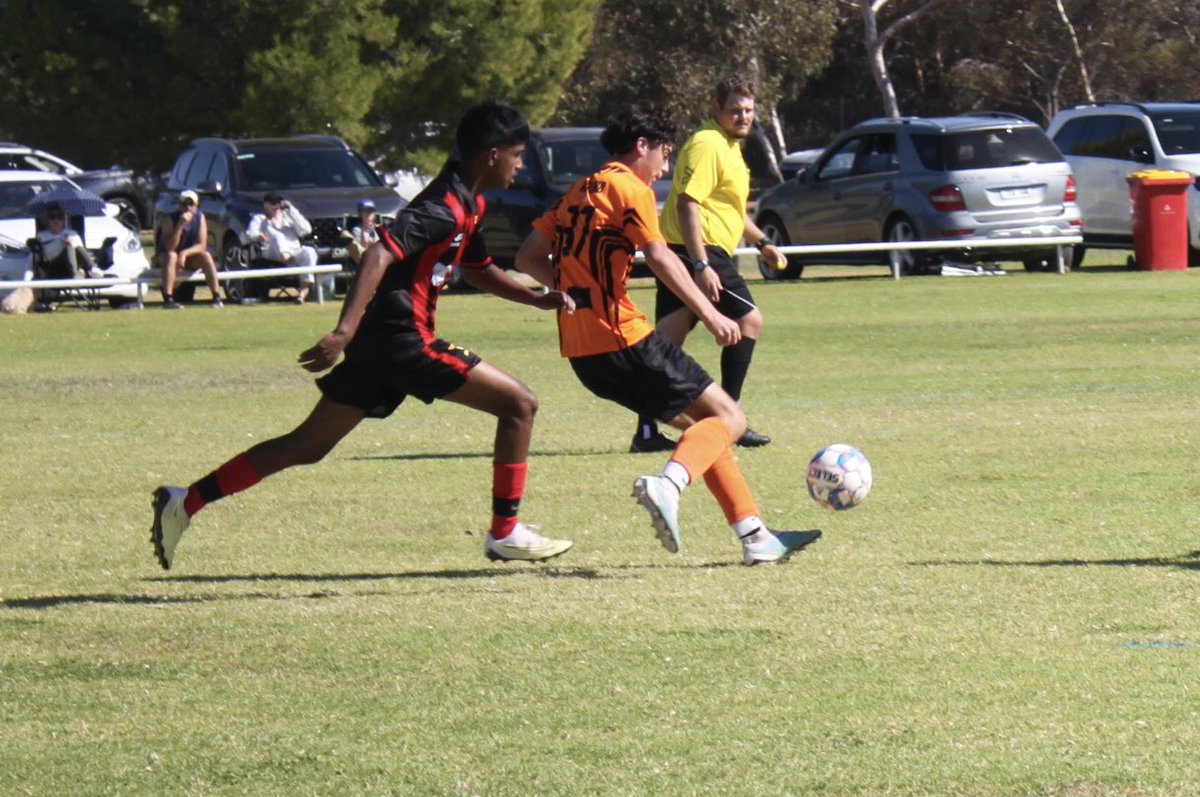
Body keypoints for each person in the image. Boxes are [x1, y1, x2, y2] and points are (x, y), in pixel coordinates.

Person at [151, 98, 574, 571]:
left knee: (307, 446)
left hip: (382, 344)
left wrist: (536, 299)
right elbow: (376, 256)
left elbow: (477, 270)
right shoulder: (443, 207)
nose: (520, 166)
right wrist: (343, 330)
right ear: (492, 154)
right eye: (517, 156)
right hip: (402, 340)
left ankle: (184, 501)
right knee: (520, 404)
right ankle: (505, 532)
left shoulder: (468, 203)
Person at [516, 106, 819, 566]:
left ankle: (755, 536)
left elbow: (528, 256)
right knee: (731, 420)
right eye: (663, 155)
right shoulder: (629, 188)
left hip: (584, 354)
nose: (664, 168)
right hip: (624, 338)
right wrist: (710, 313)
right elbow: (660, 257)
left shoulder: (578, 191)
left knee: (706, 431)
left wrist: (572, 291)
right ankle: (668, 484)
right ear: (642, 146)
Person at [630, 75, 787, 453]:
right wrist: (701, 265)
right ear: (716, 109)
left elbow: (729, 208)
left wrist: (762, 242)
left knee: (665, 343)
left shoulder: (731, 147)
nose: (743, 116)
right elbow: (687, 203)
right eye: (734, 110)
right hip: (699, 251)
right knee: (749, 321)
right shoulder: (707, 144)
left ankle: (647, 432)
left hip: (693, 250)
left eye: (748, 110)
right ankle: (728, 421)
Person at [247, 191, 325, 304]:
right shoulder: (260, 219)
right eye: (273, 203)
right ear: (266, 205)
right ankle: (287, 258)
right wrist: (258, 236)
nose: (277, 206)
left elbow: (306, 230)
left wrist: (291, 209)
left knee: (309, 252)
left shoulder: (288, 218)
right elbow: (249, 233)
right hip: (271, 250)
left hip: (294, 251)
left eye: (278, 203)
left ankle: (302, 294)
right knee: (278, 236)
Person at [161, 189, 224, 309]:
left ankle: (216, 297)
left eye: (191, 204)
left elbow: (201, 245)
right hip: (168, 258)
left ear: (196, 206)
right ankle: (168, 299)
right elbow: (169, 248)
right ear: (179, 205)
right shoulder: (169, 220)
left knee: (206, 255)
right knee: (172, 256)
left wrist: (184, 253)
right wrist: (180, 225)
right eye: (184, 204)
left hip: (189, 257)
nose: (187, 207)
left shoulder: (200, 218)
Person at [35, 205, 104, 279]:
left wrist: (69, 242)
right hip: (53, 266)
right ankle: (74, 275)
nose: (56, 220)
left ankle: (93, 268)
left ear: (63, 220)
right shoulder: (41, 236)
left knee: (73, 245)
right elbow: (35, 258)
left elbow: (80, 251)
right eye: (52, 217)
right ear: (46, 220)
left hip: (74, 264)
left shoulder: (72, 233)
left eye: (59, 217)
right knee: (69, 245)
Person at [341, 199, 381, 265]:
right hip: (363, 257)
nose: (368, 214)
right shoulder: (357, 229)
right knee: (345, 234)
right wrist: (363, 231)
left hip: (378, 256)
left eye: (370, 211)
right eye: (365, 211)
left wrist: (374, 230)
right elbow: (360, 248)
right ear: (360, 214)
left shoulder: (378, 228)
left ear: (374, 214)